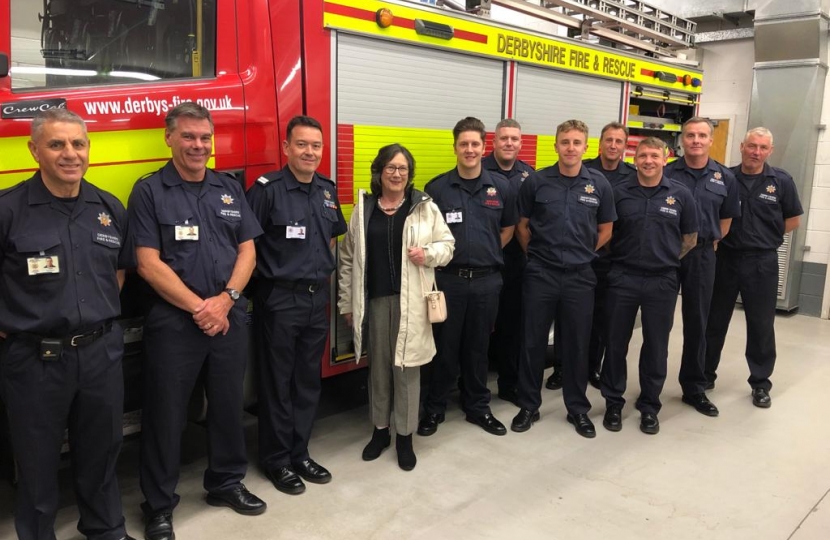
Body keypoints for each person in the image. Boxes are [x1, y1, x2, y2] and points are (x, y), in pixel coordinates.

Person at [129, 103, 266, 540]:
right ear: (168, 138)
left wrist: (225, 301)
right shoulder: (149, 191)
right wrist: (199, 307)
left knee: (228, 407)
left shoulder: (228, 188)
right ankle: (159, 505)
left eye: (205, 137)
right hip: (174, 323)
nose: (198, 145)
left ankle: (225, 482)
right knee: (166, 415)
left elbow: (248, 250)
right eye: (188, 136)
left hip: (227, 318)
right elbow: (147, 263)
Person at [0, 108, 135, 540]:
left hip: (100, 353)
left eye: (78, 143)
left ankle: (105, 529)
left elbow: (118, 272)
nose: (69, 154)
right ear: (34, 149)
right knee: (36, 465)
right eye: (57, 144)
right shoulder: (8, 209)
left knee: (101, 454)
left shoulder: (108, 207)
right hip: (36, 360)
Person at [246, 116, 347, 495]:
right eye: (302, 144)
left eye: (316, 146)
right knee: (277, 383)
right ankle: (276, 460)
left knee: (307, 382)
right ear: (286, 148)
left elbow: (332, 239)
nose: (309, 152)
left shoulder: (326, 189)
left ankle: (300, 452)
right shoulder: (266, 190)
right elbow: (246, 248)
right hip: (279, 299)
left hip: (315, 296)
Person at [338, 144, 455, 470]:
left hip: (413, 304)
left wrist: (427, 254)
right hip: (375, 303)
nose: (396, 173)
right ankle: (380, 431)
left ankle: (405, 437)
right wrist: (347, 302)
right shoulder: (364, 210)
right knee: (379, 371)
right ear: (379, 171)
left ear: (409, 173)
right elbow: (347, 259)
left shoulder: (424, 207)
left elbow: (448, 246)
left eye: (403, 168)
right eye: (390, 167)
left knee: (407, 370)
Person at [512, 119, 616, 438]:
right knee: (532, 342)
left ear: (586, 148)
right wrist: (540, 256)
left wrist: (581, 253)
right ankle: (529, 405)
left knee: (576, 344)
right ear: (555, 145)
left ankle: (577, 408)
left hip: (580, 276)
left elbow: (606, 230)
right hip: (541, 274)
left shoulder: (599, 185)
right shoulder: (536, 182)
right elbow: (522, 226)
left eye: (576, 142)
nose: (570, 148)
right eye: (565, 142)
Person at [418, 116, 518, 438]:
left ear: (483, 146)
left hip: (488, 281)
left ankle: (477, 406)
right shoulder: (438, 188)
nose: (470, 149)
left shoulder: (501, 186)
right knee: (445, 346)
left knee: (478, 346)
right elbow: (429, 236)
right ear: (455, 148)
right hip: (449, 280)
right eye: (464, 144)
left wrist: (484, 254)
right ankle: (435, 408)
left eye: (475, 144)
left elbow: (507, 229)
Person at [601, 137, 698, 435]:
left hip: (662, 281)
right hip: (622, 278)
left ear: (665, 158)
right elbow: (606, 234)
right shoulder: (618, 193)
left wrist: (664, 259)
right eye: (643, 155)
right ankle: (613, 402)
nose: (648, 161)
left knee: (656, 345)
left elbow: (690, 239)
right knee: (616, 343)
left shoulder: (681, 195)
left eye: (654, 155)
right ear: (635, 157)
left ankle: (649, 405)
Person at [704, 128, 803, 408]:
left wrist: (767, 235)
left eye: (762, 147)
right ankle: (705, 375)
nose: (755, 152)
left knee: (760, 324)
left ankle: (760, 383)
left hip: (762, 262)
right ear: (741, 147)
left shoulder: (781, 181)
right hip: (726, 258)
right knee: (715, 320)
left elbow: (793, 219)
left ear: (770, 151)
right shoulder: (724, 177)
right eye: (751, 146)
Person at [665, 117, 740, 418]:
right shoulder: (667, 172)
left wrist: (711, 240)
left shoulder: (724, 178)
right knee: (659, 324)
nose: (695, 140)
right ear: (682, 140)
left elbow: (727, 219)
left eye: (701, 135)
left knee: (698, 322)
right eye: (690, 135)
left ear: (711, 140)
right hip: (667, 254)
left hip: (702, 256)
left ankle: (693, 387)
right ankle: (650, 387)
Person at [483, 119, 535, 405]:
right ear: (494, 141)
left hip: (517, 263)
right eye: (504, 138)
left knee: (512, 326)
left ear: (520, 143)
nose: (509, 143)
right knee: (477, 330)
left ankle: (508, 383)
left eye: (515, 139)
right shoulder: (479, 170)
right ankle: (471, 386)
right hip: (484, 263)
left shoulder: (529, 175)